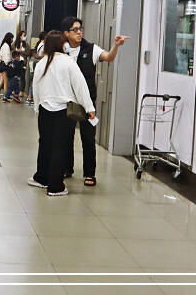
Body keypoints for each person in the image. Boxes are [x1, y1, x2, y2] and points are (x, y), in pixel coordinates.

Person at [61, 16, 129, 187]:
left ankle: (90, 173)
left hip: (87, 104)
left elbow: (109, 57)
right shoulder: (62, 51)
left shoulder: (91, 49)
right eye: (75, 29)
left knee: (88, 139)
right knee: (66, 137)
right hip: (66, 101)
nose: (79, 32)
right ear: (66, 33)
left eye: (80, 28)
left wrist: (116, 46)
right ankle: (67, 168)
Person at [28, 31, 95, 197]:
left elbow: (35, 87)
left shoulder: (42, 63)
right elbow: (80, 86)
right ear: (61, 45)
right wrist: (89, 107)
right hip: (64, 111)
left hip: (44, 109)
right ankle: (56, 186)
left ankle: (41, 178)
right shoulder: (69, 62)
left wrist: (37, 107)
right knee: (60, 147)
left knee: (45, 144)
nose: (67, 45)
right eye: (65, 42)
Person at [0, 32, 14, 100]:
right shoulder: (6, 46)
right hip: (4, 64)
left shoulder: (4, 45)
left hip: (1, 64)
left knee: (2, 80)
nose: (12, 40)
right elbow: (6, 57)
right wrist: (9, 63)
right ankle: (6, 95)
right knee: (5, 81)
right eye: (12, 38)